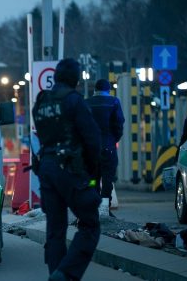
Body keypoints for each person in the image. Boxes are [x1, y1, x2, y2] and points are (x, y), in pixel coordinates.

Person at [31, 58, 102, 281]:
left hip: (46, 169)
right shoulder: (74, 101)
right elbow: (93, 141)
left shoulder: (41, 101)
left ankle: (56, 274)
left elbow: (42, 136)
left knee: (55, 229)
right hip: (71, 170)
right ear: (76, 79)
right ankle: (66, 273)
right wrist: (92, 174)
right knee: (90, 224)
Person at [85, 79, 125, 218]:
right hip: (108, 147)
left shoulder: (87, 103)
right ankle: (104, 210)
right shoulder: (114, 102)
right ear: (108, 90)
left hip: (90, 150)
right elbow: (119, 124)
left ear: (95, 90)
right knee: (108, 179)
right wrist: (113, 139)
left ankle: (92, 208)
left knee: (92, 179)